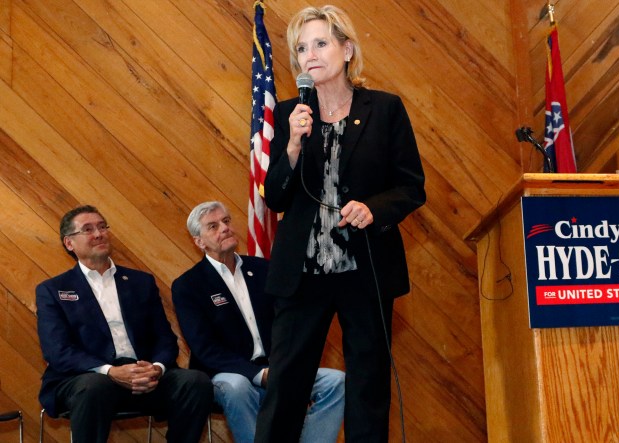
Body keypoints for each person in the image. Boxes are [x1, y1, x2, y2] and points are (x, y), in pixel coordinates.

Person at [256, 5, 426, 442]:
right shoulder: (289, 113)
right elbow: (274, 196)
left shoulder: (385, 109)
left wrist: (374, 209)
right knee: (285, 388)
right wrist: (292, 145)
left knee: (368, 388)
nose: (309, 55)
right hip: (301, 275)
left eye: (321, 43)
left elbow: (410, 187)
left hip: (364, 270)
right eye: (300, 48)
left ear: (347, 49)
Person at [35, 205, 213, 443]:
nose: (98, 234)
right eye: (88, 229)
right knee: (94, 387)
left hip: (143, 374)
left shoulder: (140, 282)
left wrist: (156, 368)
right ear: (69, 243)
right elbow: (57, 351)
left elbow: (165, 338)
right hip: (88, 378)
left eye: (101, 227)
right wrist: (110, 371)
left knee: (195, 382)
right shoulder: (53, 290)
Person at [171, 201, 345, 443]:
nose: (225, 228)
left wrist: (282, 365)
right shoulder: (188, 285)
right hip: (226, 374)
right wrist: (258, 374)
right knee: (237, 387)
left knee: (336, 382)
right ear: (199, 241)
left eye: (226, 221)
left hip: (276, 367)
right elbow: (205, 348)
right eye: (213, 226)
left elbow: (288, 323)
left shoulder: (263, 269)